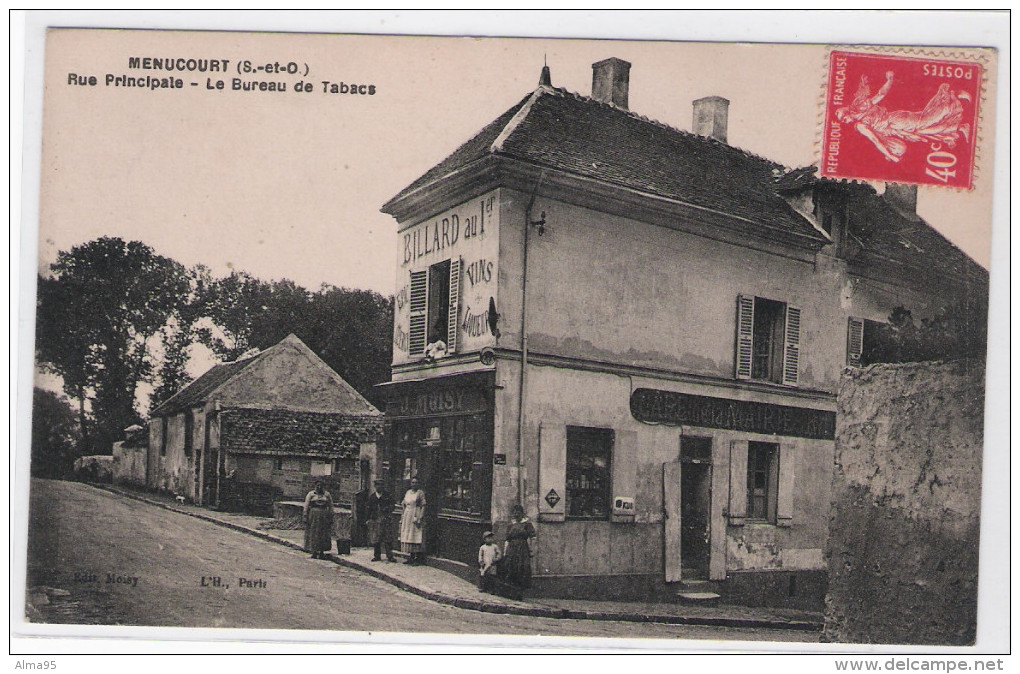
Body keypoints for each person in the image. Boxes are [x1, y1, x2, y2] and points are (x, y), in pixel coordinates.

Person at [836, 71, 971, 163]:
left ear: (847, 112)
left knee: (926, 120)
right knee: (926, 130)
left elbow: (876, 140)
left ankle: (952, 94)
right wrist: (890, 80)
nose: (845, 121)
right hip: (896, 127)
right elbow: (880, 95)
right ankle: (959, 127)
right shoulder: (860, 115)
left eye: (843, 118)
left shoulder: (860, 123)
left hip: (896, 122)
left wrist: (891, 156)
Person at [501, 504, 536, 600]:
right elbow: (507, 540)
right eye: (515, 512)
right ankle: (511, 592)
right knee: (511, 568)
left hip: (522, 549)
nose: (517, 514)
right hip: (512, 549)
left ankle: (520, 593)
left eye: (519, 512)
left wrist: (531, 550)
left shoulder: (527, 524)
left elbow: (533, 538)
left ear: (522, 513)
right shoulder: (510, 525)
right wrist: (505, 552)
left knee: (522, 569)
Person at [398, 476, 427, 565]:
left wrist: (420, 517)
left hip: (415, 514)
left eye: (416, 482)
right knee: (408, 535)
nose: (414, 484)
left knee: (415, 535)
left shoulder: (420, 493)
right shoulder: (408, 492)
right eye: (412, 482)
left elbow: (423, 506)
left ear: (418, 484)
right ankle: (411, 556)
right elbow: (404, 503)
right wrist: (403, 515)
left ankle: (417, 558)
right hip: (407, 515)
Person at [365, 478, 395, 562]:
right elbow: (369, 509)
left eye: (381, 485)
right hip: (375, 519)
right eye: (378, 485)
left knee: (387, 538)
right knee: (376, 538)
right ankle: (377, 556)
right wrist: (368, 519)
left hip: (385, 518)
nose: (380, 487)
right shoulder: (372, 497)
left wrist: (387, 510)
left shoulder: (387, 495)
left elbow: (393, 505)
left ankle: (390, 556)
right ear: (375, 486)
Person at [303, 481, 334, 560]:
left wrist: (331, 516)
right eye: (318, 485)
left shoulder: (327, 494)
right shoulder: (311, 494)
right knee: (314, 532)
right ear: (315, 486)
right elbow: (306, 505)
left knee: (323, 533)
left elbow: (331, 506)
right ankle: (314, 551)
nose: (319, 487)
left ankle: (321, 552)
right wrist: (305, 516)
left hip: (324, 515)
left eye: (321, 485)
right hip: (313, 515)